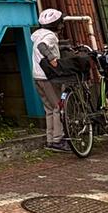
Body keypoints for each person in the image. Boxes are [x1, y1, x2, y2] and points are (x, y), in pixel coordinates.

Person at [31, 8, 68, 151]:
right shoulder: (50, 36)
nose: (62, 25)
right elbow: (43, 47)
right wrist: (52, 58)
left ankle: (50, 140)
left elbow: (40, 45)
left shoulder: (38, 34)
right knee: (58, 106)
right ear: (57, 24)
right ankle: (58, 140)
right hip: (48, 78)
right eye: (61, 22)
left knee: (49, 109)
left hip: (37, 76)